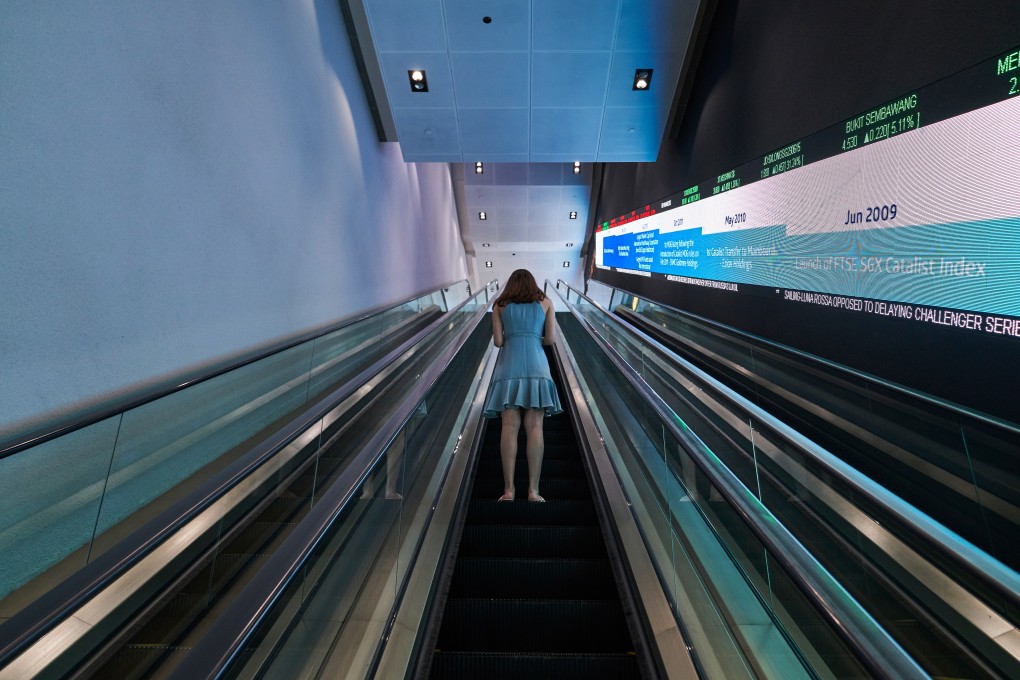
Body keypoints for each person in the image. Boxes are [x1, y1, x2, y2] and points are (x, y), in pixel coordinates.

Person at [482, 269, 563, 502]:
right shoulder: (546, 302)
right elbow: (550, 340)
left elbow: (498, 342)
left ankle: (509, 490)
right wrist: (531, 336)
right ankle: (533, 491)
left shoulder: (500, 305)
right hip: (537, 366)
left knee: (509, 426)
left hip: (510, 365)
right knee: (535, 427)